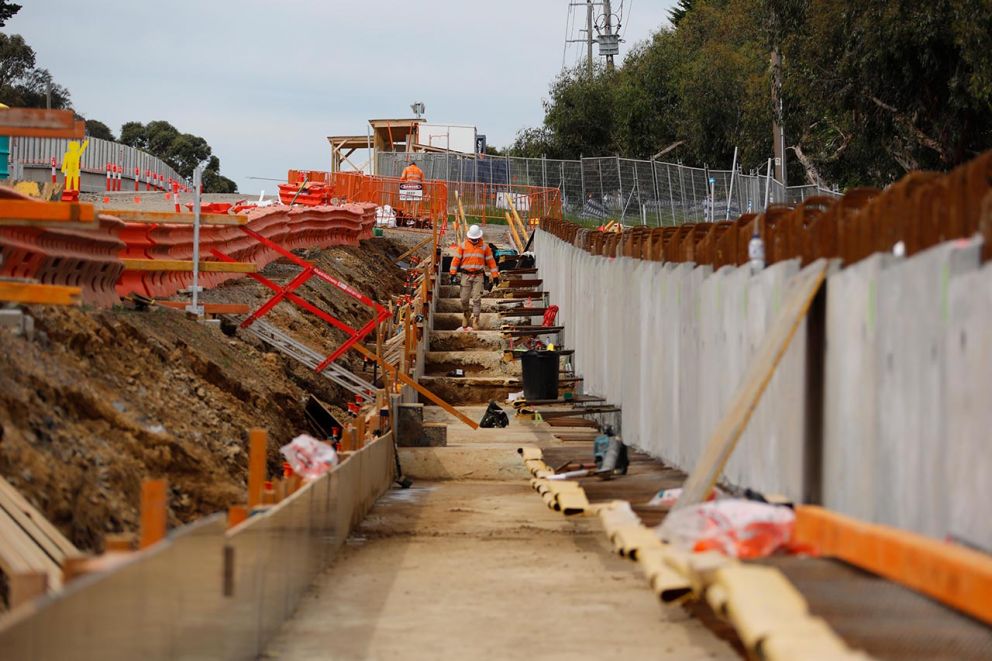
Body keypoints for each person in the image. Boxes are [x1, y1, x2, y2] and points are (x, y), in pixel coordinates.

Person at [450, 224, 499, 329]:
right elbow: (455, 260)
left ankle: (476, 318)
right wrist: (452, 273)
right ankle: (466, 313)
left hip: (478, 276)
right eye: (472, 238)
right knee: (464, 298)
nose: (474, 240)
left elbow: (491, 262)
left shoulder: (485, 247)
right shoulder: (463, 246)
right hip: (465, 275)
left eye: (476, 238)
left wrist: (495, 275)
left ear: (479, 237)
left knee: (477, 298)